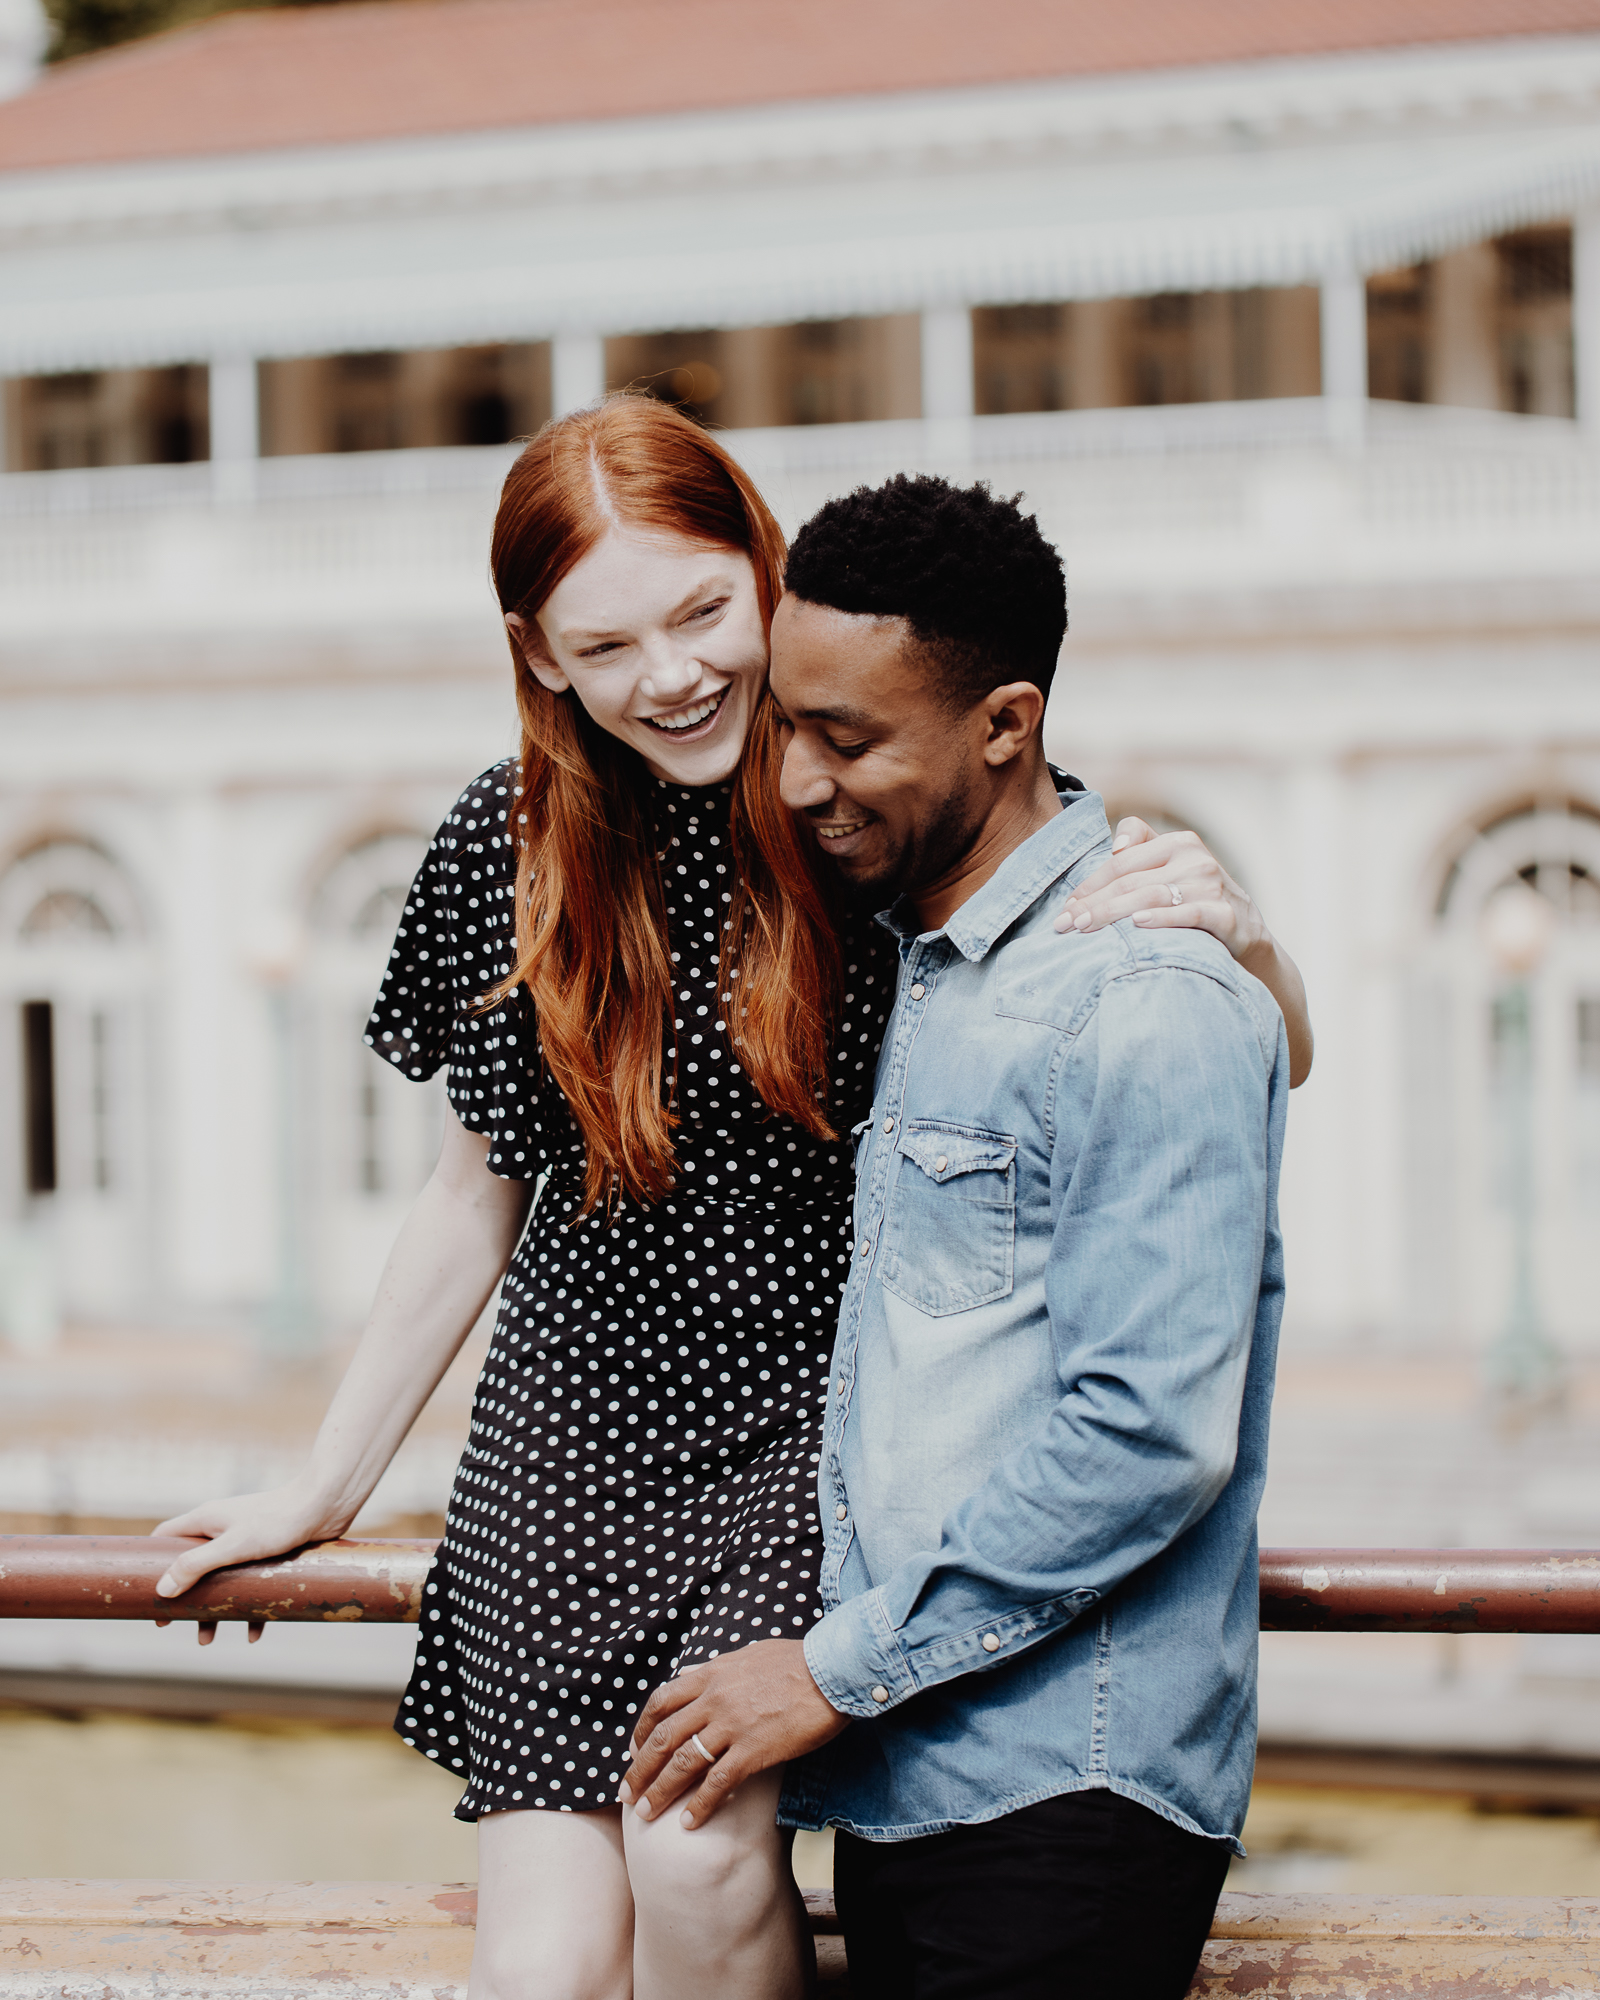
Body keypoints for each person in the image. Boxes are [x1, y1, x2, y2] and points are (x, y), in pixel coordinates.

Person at [150, 404, 1306, 2000]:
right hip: (571, 1421)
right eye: (606, 642)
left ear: (763, 579)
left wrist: (1254, 946)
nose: (674, 674)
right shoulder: (508, 845)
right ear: (540, 656)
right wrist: (322, 1487)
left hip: (801, 1424)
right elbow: (469, 1195)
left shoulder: (858, 802)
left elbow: (1168, 1034)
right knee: (538, 1970)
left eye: (702, 613)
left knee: (693, 1848)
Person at [620, 472, 1289, 2000]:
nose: (796, 781)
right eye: (790, 726)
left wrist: (828, 1667)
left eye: (848, 741)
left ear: (1006, 724)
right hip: (927, 1774)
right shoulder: (929, 963)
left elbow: (1145, 1434)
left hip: (1069, 1797)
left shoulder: (1139, 995)